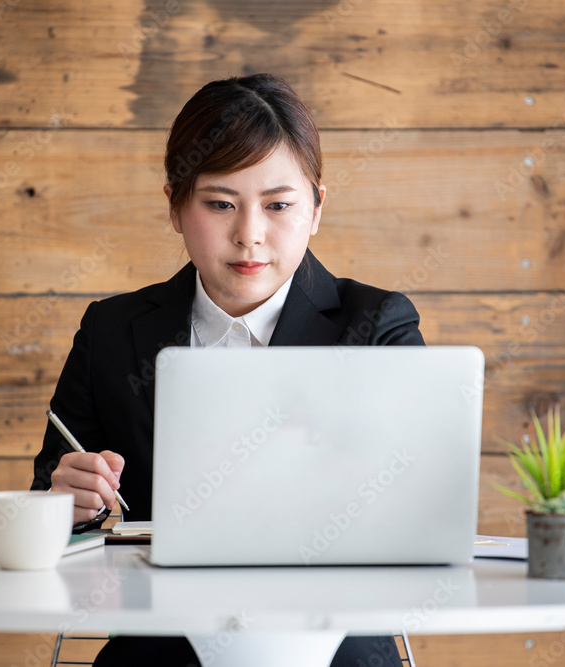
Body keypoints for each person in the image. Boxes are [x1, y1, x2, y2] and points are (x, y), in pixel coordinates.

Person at [32, 73, 422, 667]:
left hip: (333, 650)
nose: (250, 236)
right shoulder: (111, 331)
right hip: (160, 650)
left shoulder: (377, 326)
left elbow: (417, 508)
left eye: (279, 205)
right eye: (220, 204)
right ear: (175, 206)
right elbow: (47, 504)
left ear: (317, 209)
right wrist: (68, 504)